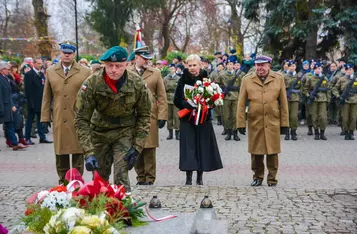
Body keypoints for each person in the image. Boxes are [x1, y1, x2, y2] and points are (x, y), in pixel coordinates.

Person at [74, 46, 152, 191]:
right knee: (99, 177)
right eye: (110, 65)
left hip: (124, 132)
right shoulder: (92, 84)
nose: (114, 70)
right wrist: (88, 152)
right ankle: (99, 211)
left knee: (121, 174)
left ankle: (123, 209)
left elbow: (145, 115)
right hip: (99, 133)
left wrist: (137, 147)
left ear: (127, 65)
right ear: (104, 64)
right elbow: (81, 119)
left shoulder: (137, 83)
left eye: (118, 66)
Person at [41, 42, 91, 184]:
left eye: (70, 52)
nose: (67, 54)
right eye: (64, 52)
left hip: (78, 118)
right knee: (61, 153)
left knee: (78, 153)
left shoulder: (84, 71)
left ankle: (76, 183)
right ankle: (63, 182)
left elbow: (89, 98)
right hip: (59, 118)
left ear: (74, 54)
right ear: (60, 53)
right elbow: (46, 97)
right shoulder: (51, 71)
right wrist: (45, 118)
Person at [236, 54, 289, 187]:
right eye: (257, 65)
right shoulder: (247, 80)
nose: (260, 68)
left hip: (273, 121)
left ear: (269, 65)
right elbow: (241, 103)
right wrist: (241, 123)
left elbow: (283, 103)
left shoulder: (278, 78)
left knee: (273, 151)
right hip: (255, 121)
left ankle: (272, 178)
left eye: (263, 65)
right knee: (256, 152)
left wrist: (285, 124)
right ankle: (257, 177)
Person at [174, 54, 223, 186]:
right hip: (188, 119)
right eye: (189, 65)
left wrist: (208, 102)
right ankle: (188, 178)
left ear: (200, 65)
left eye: (194, 65)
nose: (192, 68)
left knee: (202, 147)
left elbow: (213, 96)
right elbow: (176, 100)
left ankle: (199, 177)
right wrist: (186, 104)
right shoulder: (183, 80)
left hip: (203, 119)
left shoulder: (206, 79)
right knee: (189, 148)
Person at [129, 46, 168, 185]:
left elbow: (162, 96)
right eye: (144, 58)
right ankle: (140, 177)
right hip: (132, 116)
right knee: (135, 147)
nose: (147, 61)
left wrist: (162, 116)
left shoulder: (155, 73)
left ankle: (150, 178)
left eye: (148, 58)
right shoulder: (127, 72)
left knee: (149, 147)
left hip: (150, 115)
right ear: (136, 58)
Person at [24, 58, 52, 145]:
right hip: (32, 102)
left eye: (41, 63)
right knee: (30, 120)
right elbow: (27, 90)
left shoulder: (41, 74)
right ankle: (27, 138)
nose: (40, 65)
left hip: (40, 101)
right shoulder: (29, 74)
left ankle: (42, 137)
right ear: (34, 64)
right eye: (38, 63)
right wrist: (30, 102)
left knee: (41, 120)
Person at [0, 62, 26, 150]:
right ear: (2, 70)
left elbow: (8, 93)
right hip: (3, 106)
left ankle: (14, 143)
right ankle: (13, 142)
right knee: (8, 125)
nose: (8, 71)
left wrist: (12, 105)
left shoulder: (5, 78)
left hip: (8, 105)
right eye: (7, 69)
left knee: (10, 124)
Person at [216, 59, 243, 141]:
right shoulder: (221, 74)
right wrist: (222, 90)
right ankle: (228, 132)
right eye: (228, 64)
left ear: (234, 66)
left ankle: (235, 133)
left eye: (231, 64)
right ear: (226, 65)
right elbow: (216, 83)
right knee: (226, 115)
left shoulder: (238, 75)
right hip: (226, 97)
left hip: (235, 97)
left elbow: (242, 86)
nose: (230, 66)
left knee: (235, 115)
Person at [303, 62, 330, 140]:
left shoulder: (325, 78)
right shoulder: (311, 78)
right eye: (316, 69)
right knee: (314, 116)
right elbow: (305, 89)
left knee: (323, 117)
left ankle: (322, 133)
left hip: (323, 99)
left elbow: (328, 90)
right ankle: (316, 133)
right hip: (313, 100)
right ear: (314, 69)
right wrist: (309, 96)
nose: (317, 70)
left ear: (321, 69)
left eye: (319, 68)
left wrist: (328, 100)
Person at [332, 64, 357, 140]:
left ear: (353, 70)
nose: (349, 71)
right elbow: (334, 89)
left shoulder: (356, 79)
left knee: (353, 117)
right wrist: (338, 96)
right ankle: (346, 132)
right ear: (346, 70)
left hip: (355, 100)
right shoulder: (342, 79)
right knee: (345, 118)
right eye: (348, 70)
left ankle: (351, 132)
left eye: (351, 70)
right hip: (345, 101)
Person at [284, 60, 300, 140]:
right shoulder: (284, 76)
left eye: (293, 66)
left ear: (295, 67)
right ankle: (287, 132)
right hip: (286, 98)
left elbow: (301, 87)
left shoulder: (298, 76)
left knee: (294, 116)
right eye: (290, 66)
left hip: (295, 98)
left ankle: (293, 132)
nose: (291, 68)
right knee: (286, 116)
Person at [163, 64, 180, 140]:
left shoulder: (178, 78)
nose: (171, 70)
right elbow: (162, 89)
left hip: (176, 100)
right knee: (169, 117)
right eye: (170, 69)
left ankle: (177, 133)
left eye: (172, 69)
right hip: (168, 100)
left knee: (176, 117)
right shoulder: (165, 79)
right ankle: (170, 133)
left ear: (175, 69)